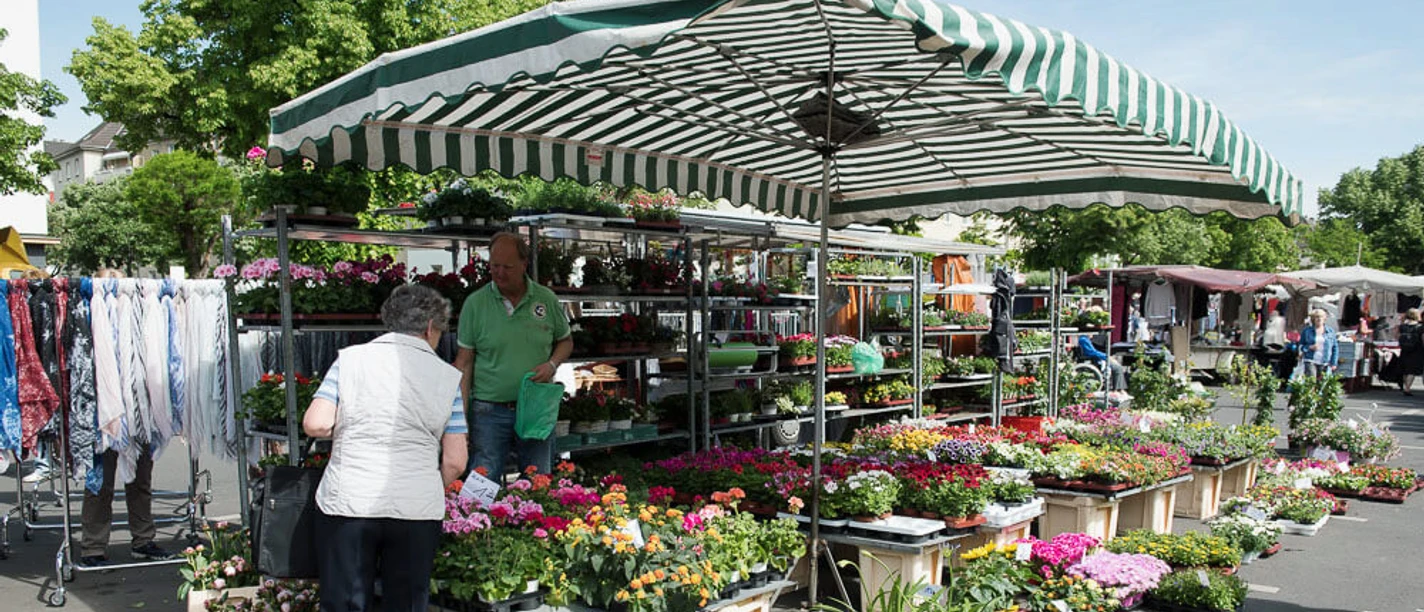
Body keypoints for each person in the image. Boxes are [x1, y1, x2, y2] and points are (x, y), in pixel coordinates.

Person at [303, 284, 468, 612]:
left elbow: (316, 423)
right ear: (430, 328)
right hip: (417, 509)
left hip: (348, 503)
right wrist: (427, 487)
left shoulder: (350, 361)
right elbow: (456, 460)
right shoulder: (448, 378)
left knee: (345, 603)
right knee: (406, 603)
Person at [454, 232, 572, 478]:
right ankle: (478, 517)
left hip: (535, 407)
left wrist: (552, 364)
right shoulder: (475, 304)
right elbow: (463, 364)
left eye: (507, 266)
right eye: (494, 265)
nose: (499, 273)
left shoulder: (545, 299)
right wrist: (460, 418)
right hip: (488, 410)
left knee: (538, 478)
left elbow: (566, 341)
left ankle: (537, 516)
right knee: (482, 481)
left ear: (524, 264)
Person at [79, 267, 171, 566]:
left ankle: (143, 539)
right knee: (100, 483)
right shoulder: (92, 312)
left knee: (141, 479)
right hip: (105, 410)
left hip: (139, 407)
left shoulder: (142, 311)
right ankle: (93, 546)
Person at [1298, 308, 1339, 378]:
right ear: (1313, 319)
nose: (1319, 319)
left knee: (1321, 384)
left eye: (1321, 317)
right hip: (1310, 360)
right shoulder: (1307, 331)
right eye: (1317, 317)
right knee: (1311, 382)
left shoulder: (1330, 331)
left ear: (1324, 318)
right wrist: (1309, 347)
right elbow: (1300, 346)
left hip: (1325, 362)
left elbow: (1335, 348)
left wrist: (1334, 363)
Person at [1395, 309, 1424, 395]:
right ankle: (1407, 388)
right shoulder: (1420, 327)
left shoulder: (1402, 326)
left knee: (1405, 369)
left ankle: (1405, 386)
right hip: (1416, 350)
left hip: (1404, 350)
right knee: (1412, 370)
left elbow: (1397, 336)